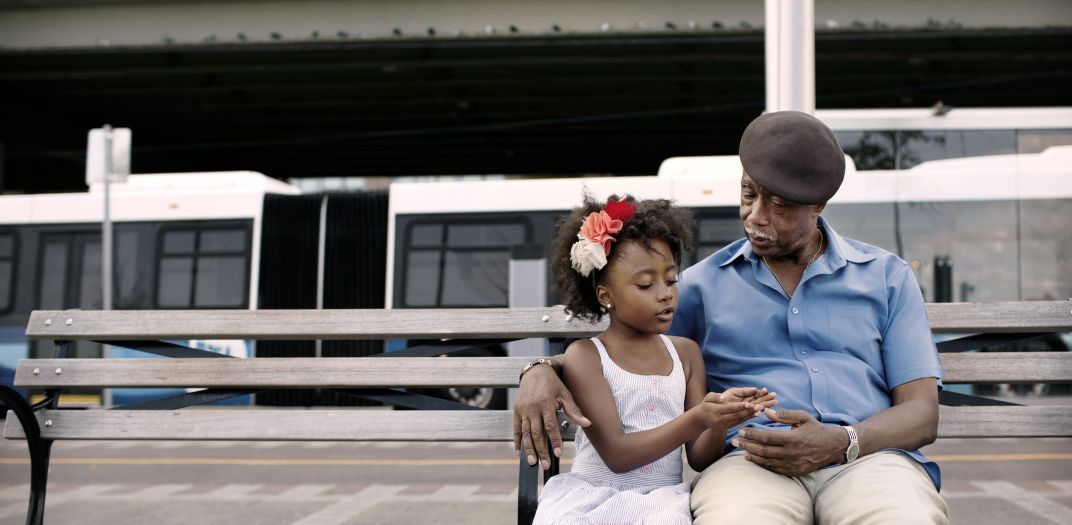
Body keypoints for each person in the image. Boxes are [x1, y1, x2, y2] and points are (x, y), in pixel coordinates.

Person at [515, 111, 949, 524]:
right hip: (750, 464)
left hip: (866, 459)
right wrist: (541, 369)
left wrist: (843, 441)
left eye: (778, 205)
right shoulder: (698, 286)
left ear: (818, 204)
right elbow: (628, 349)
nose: (755, 216)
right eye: (748, 194)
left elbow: (921, 413)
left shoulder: (886, 277)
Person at [530, 193, 777, 524]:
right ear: (606, 295)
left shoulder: (686, 354)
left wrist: (718, 421)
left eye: (672, 279)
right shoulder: (587, 355)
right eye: (646, 284)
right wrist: (698, 417)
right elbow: (617, 454)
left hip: (661, 500)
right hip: (592, 498)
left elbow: (701, 457)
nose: (665, 293)